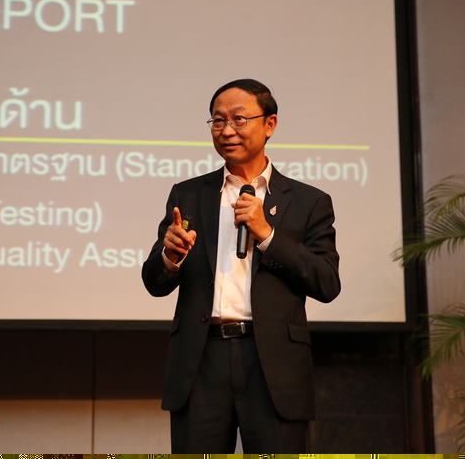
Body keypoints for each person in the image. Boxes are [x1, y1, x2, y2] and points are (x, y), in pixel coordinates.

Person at [141, 78, 340, 452]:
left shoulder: (309, 201)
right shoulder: (188, 194)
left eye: (238, 119)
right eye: (217, 120)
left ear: (270, 124)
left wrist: (267, 234)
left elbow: (327, 282)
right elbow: (154, 282)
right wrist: (170, 256)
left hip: (272, 364)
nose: (227, 130)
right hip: (201, 360)